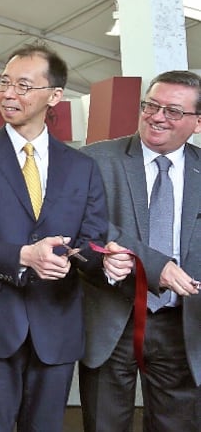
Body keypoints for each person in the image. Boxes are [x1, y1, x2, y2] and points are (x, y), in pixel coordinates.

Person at [0, 43, 108, 432]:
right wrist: (24, 255)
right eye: (4, 82)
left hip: (57, 320)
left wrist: (102, 258)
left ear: (54, 96)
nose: (8, 93)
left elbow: (92, 241)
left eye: (23, 85)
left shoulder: (82, 167)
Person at [79, 70, 201, 431]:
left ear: (197, 122)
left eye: (174, 111)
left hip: (182, 325)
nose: (158, 116)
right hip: (111, 319)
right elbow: (83, 226)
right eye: (151, 105)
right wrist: (152, 265)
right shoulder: (95, 161)